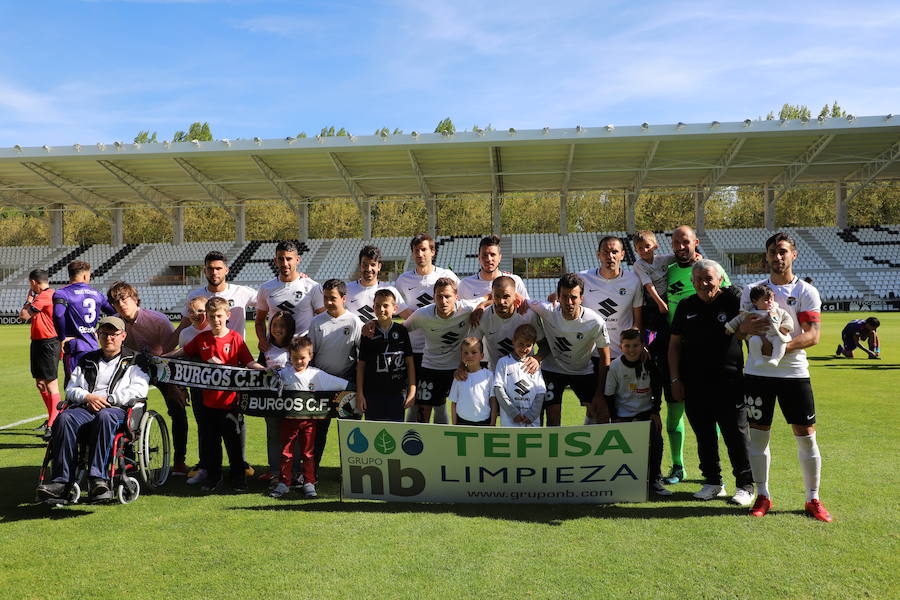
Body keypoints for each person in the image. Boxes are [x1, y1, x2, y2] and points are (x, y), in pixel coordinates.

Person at [738, 232, 832, 522]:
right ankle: (763, 495)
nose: (777, 257)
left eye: (783, 251)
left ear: (794, 255)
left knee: (805, 436)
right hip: (757, 375)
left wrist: (778, 347)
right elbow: (742, 328)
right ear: (766, 256)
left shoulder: (806, 292)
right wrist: (753, 336)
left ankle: (812, 499)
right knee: (758, 438)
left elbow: (813, 336)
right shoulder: (751, 290)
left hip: (794, 373)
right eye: (772, 252)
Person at [35, 316, 150, 503]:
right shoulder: (87, 359)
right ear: (97, 335)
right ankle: (61, 482)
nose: (109, 338)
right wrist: (88, 397)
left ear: (123, 336)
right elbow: (71, 388)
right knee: (65, 419)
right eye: (104, 333)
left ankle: (99, 479)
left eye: (114, 334)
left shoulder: (135, 360)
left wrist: (109, 399)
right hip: (87, 408)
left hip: (117, 410)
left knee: (105, 417)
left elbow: (139, 389)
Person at [668, 260, 754, 506]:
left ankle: (745, 486)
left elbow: (749, 333)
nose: (704, 284)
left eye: (709, 279)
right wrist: (675, 379)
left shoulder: (733, 300)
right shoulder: (686, 306)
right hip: (694, 384)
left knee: (736, 436)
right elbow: (674, 345)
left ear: (719, 279)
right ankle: (713, 482)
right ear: (692, 282)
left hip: (730, 383)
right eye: (698, 280)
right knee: (704, 436)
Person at [165, 297, 265, 492]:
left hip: (231, 403)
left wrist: (263, 369)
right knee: (212, 445)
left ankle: (238, 480)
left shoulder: (235, 338)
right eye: (212, 316)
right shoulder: (202, 339)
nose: (216, 320)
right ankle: (213, 477)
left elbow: (248, 362)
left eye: (219, 316)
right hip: (208, 403)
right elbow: (182, 352)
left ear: (227, 316)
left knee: (234, 445)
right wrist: (161, 358)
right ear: (207, 318)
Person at [660, 226, 731, 485]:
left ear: (696, 243)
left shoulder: (713, 270)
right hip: (677, 350)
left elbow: (731, 300)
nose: (680, 246)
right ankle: (678, 466)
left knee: (713, 416)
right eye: (676, 242)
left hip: (712, 354)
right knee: (674, 411)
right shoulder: (666, 273)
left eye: (685, 242)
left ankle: (716, 471)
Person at [107, 281, 189, 474]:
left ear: (135, 299)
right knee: (124, 408)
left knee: (177, 408)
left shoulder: (157, 319)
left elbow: (171, 347)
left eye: (124, 299)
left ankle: (179, 460)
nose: (121, 305)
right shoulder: (115, 322)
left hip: (162, 366)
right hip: (133, 370)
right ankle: (127, 458)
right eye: (116, 302)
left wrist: (181, 386)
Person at [270, 336, 350, 499]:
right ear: (289, 356)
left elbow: (344, 385)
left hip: (309, 422)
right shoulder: (282, 374)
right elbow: (262, 384)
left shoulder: (317, 375)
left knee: (308, 453)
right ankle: (284, 483)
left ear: (311, 356)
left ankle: (309, 482)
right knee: (286, 452)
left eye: (302, 358)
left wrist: (359, 391)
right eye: (294, 358)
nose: (298, 362)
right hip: (288, 421)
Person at [527, 273, 611, 426]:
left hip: (582, 370)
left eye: (573, 297)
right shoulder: (547, 310)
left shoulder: (595, 322)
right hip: (552, 369)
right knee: (552, 417)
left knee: (601, 413)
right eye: (564, 296)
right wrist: (482, 304)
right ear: (557, 296)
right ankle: (552, 449)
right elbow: (518, 299)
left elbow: (605, 358)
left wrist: (600, 393)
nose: (569, 302)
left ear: (581, 298)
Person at [394, 233, 459, 419]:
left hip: (442, 349)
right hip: (415, 349)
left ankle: (441, 443)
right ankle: (413, 441)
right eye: (416, 250)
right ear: (412, 254)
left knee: (439, 404)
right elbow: (399, 308)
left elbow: (459, 301)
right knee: (416, 401)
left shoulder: (446, 276)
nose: (420, 254)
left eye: (424, 249)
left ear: (433, 251)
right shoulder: (403, 280)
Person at [403, 278, 482, 423]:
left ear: (456, 297)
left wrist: (481, 307)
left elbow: (488, 297)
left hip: (456, 368)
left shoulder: (466, 308)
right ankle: (423, 441)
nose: (443, 301)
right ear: (433, 297)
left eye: (447, 296)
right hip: (430, 366)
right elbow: (402, 329)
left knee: (459, 408)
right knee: (423, 409)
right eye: (439, 296)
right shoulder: (423, 314)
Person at [604, 329, 669, 497]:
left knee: (656, 444)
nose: (631, 350)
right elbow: (609, 395)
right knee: (623, 452)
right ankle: (624, 483)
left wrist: (656, 411)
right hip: (623, 416)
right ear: (620, 346)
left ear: (642, 346)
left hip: (646, 413)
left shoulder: (649, 362)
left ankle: (655, 480)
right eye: (627, 346)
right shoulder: (615, 366)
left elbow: (657, 386)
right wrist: (615, 418)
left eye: (635, 345)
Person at [308, 279, 362, 478]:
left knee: (350, 432)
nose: (329, 302)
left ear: (344, 298)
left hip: (346, 386)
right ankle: (311, 472)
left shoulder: (354, 322)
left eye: (333, 298)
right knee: (317, 433)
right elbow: (310, 355)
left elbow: (360, 357)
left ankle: (351, 472)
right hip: (321, 387)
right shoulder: (316, 322)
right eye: (326, 298)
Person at [578, 236, 642, 360]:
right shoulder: (582, 278)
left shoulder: (634, 281)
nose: (610, 256)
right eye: (605, 252)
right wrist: (555, 295)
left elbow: (638, 321)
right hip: (591, 354)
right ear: (598, 255)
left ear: (622, 255)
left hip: (622, 354)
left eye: (614, 252)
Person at [356, 289, 416, 422]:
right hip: (372, 394)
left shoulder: (401, 331)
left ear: (395, 308)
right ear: (373, 308)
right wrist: (360, 394)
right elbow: (361, 365)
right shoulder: (368, 332)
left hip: (397, 394)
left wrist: (412, 390)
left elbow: (409, 362)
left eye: (385, 305)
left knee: (396, 434)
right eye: (377, 306)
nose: (381, 309)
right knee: (373, 434)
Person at [52, 261, 116, 383]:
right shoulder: (97, 294)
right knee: (92, 385)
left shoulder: (62, 293)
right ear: (85, 276)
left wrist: (61, 338)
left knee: (73, 387)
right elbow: (114, 313)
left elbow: (58, 314)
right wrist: (100, 330)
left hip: (74, 348)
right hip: (93, 347)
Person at [312, 245, 407, 323]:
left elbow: (408, 315)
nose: (369, 269)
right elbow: (330, 313)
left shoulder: (390, 291)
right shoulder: (347, 289)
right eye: (365, 265)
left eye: (373, 265)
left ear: (379, 266)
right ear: (360, 266)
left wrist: (399, 330)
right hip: (352, 343)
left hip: (380, 344)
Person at [19, 269, 60, 438]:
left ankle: (53, 423)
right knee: (41, 384)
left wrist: (28, 300)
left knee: (51, 384)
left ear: (34, 282)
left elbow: (23, 316)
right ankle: (51, 417)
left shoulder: (45, 295)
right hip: (38, 342)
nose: (30, 287)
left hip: (48, 343)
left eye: (30, 284)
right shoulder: (43, 296)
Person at [469, 276, 543, 369]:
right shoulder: (482, 316)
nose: (501, 301)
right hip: (496, 373)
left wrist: (536, 358)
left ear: (515, 296)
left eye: (506, 296)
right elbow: (471, 348)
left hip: (524, 373)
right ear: (492, 295)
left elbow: (544, 344)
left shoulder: (528, 315)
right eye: (497, 296)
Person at [179, 251, 257, 338]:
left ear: (226, 270)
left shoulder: (242, 292)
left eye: (218, 268)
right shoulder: (194, 296)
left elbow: (267, 302)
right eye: (210, 268)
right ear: (205, 271)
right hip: (207, 349)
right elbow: (183, 326)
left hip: (235, 349)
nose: (214, 272)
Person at [257, 311, 296, 483]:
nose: (277, 329)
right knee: (273, 434)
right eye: (274, 325)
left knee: (293, 435)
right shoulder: (265, 347)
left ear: (289, 328)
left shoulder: (295, 346)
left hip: (293, 399)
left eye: (282, 326)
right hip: (270, 400)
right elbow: (257, 369)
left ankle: (295, 470)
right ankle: (274, 470)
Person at [256, 241, 319, 341]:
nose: (285, 263)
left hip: (301, 349)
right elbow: (259, 321)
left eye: (289, 259)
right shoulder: (265, 288)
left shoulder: (312, 286)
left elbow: (323, 318)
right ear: (275, 261)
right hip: (274, 348)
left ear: (297, 260)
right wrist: (263, 341)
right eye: (281, 259)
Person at [725, 285, 794, 368]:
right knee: (753, 341)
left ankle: (776, 359)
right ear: (754, 301)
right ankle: (758, 359)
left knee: (780, 342)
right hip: (758, 336)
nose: (770, 302)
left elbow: (787, 318)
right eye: (766, 300)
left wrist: (786, 327)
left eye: (771, 299)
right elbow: (738, 319)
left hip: (775, 335)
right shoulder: (750, 313)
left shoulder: (778, 311)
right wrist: (730, 327)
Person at [492, 324, 546, 428]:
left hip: (531, 422)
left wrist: (532, 415)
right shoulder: (503, 362)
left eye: (528, 345)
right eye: (521, 344)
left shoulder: (534, 364)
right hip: (510, 422)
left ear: (533, 345)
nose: (524, 348)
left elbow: (540, 392)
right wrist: (513, 413)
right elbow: (498, 389)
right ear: (513, 341)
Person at [457, 235, 529, 301]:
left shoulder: (515, 281)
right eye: (484, 255)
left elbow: (527, 310)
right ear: (479, 257)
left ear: (500, 258)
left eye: (493, 254)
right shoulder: (465, 284)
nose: (488, 259)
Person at [448, 338, 496, 426]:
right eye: (466, 353)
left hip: (484, 422)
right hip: (462, 422)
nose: (469, 356)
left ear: (482, 356)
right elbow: (454, 403)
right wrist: (454, 425)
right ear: (461, 356)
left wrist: (493, 423)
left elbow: (493, 401)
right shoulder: (459, 376)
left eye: (474, 352)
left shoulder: (489, 376)